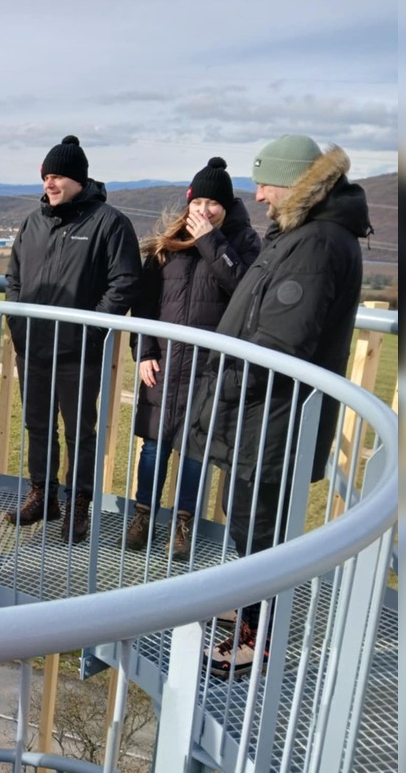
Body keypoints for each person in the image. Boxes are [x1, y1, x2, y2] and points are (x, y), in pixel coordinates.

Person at [188, 136, 368, 678]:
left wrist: (224, 384)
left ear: (294, 181)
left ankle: (255, 639)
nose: (259, 194)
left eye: (265, 182)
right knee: (244, 514)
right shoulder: (305, 234)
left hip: (273, 415)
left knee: (260, 524)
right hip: (264, 412)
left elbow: (280, 342)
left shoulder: (316, 244)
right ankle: (248, 603)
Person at [4, 136, 141, 542]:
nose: (49, 183)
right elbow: (13, 277)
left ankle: (78, 505)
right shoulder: (34, 222)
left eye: (58, 176)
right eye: (46, 176)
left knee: (79, 431)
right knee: (37, 425)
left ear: (79, 179)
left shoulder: (109, 223)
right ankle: (43, 494)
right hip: (33, 346)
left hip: (78, 352)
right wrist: (18, 322)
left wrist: (92, 327)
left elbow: (125, 282)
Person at [125, 158, 261, 560]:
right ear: (188, 202)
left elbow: (245, 292)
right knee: (153, 447)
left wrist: (210, 242)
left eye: (213, 202)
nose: (204, 209)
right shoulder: (168, 246)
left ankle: (184, 524)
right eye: (198, 201)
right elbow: (146, 306)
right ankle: (143, 516)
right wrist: (145, 352)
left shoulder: (245, 243)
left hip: (210, 370)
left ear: (227, 206)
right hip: (165, 364)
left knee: (196, 452)